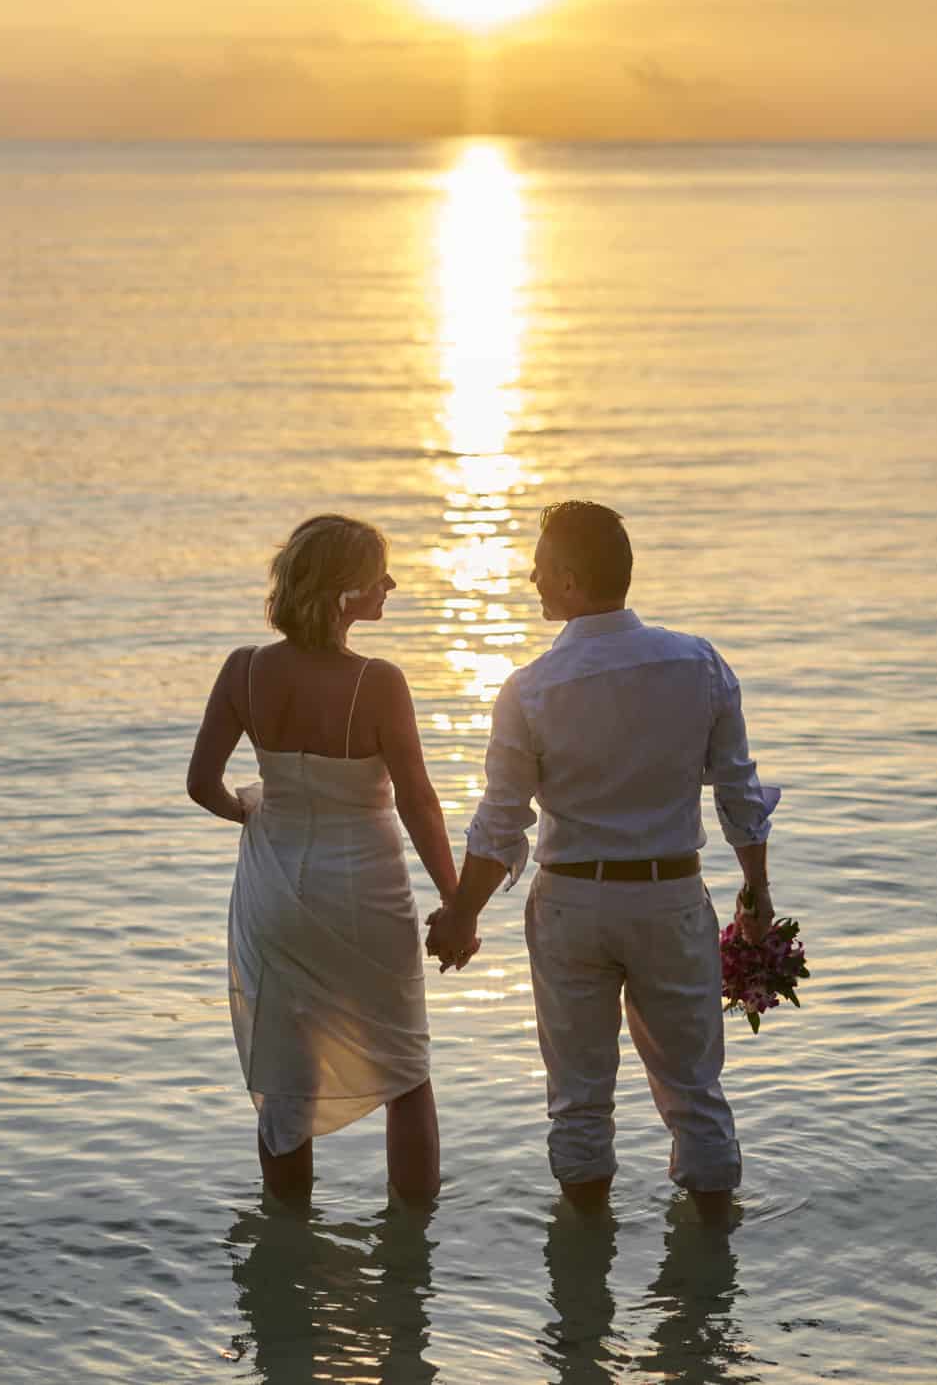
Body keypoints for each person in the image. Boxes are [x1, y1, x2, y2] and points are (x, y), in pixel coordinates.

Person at [426, 500, 779, 1228]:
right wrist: (756, 893)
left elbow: (501, 823)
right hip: (670, 896)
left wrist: (461, 915)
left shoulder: (530, 688)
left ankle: (581, 1301)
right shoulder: (699, 663)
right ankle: (708, 1296)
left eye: (542, 566)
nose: (530, 576)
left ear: (573, 580)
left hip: (572, 905)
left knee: (579, 1097)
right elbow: (738, 792)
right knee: (696, 1091)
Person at [187, 514, 461, 1204]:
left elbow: (201, 783)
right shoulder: (380, 682)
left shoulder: (244, 669)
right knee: (406, 1072)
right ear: (346, 592)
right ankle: (411, 1251)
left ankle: (287, 1238)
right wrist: (457, 900)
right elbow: (419, 802)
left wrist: (247, 808)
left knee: (286, 1075)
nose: (391, 583)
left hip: (276, 887)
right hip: (366, 889)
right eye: (379, 574)